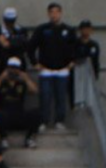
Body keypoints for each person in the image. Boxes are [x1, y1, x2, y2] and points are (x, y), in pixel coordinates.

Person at [28, 2, 76, 130]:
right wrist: (35, 63)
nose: (54, 15)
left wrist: (72, 62)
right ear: (48, 14)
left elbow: (75, 48)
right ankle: (43, 121)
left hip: (62, 70)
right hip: (46, 70)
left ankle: (59, 121)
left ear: (60, 13)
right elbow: (31, 47)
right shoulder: (42, 30)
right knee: (45, 96)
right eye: (51, 12)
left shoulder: (69, 30)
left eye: (56, 12)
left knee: (61, 97)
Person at [0, 57, 40, 149]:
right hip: (4, 116)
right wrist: (0, 79)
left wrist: (26, 78)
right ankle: (3, 139)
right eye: (11, 68)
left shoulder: (21, 83)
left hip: (18, 115)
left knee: (36, 113)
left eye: (15, 68)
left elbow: (34, 91)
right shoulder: (1, 82)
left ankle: (29, 139)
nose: (13, 71)